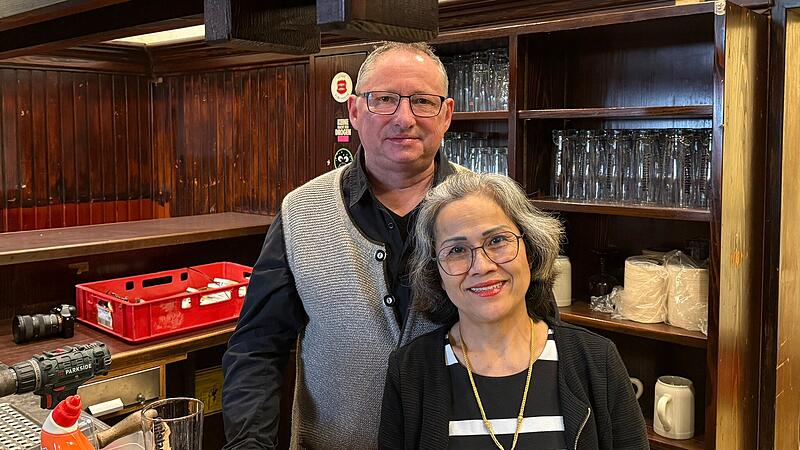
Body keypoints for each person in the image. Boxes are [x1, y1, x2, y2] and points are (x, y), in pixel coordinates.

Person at [221, 41, 456, 449]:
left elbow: (533, 335)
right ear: (354, 111)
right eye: (384, 100)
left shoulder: (491, 208)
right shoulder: (301, 211)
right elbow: (257, 347)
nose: (404, 118)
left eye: (422, 101)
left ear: (447, 114)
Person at [379, 172, 649, 449]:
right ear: (436, 273)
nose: (482, 266)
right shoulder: (409, 371)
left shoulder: (596, 360)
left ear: (530, 251)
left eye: (497, 241)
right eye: (457, 250)